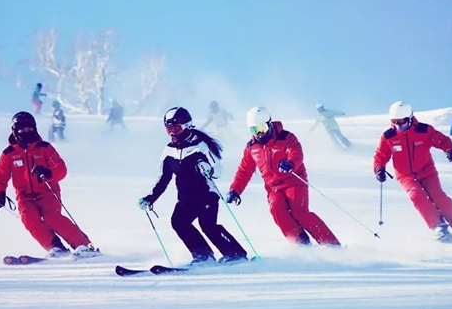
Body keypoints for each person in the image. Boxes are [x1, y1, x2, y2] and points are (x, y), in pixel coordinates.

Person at [138, 107, 248, 265]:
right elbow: (163, 178)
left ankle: (236, 254)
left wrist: (207, 168)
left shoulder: (200, 145)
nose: (173, 133)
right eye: (169, 129)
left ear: (187, 126)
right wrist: (150, 198)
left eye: (177, 128)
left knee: (208, 225)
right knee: (179, 222)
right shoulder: (169, 151)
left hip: (206, 196)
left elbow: (218, 170)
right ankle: (203, 256)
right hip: (186, 199)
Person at [226, 106, 341, 246]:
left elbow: (296, 153)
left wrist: (290, 163)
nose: (259, 134)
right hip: (273, 187)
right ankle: (300, 241)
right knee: (276, 208)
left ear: (269, 124)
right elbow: (244, 171)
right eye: (254, 130)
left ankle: (330, 243)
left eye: (262, 128)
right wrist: (235, 190)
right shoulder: (252, 147)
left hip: (293, 181)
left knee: (300, 212)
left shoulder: (286, 137)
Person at [0, 111, 100, 259]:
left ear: (34, 129)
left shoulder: (44, 148)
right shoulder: (9, 154)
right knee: (29, 219)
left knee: (52, 217)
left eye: (29, 129)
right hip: (24, 195)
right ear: (15, 132)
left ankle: (83, 245)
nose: (26, 132)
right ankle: (55, 247)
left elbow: (61, 169)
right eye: (22, 130)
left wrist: (48, 173)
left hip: (47, 191)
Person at [373, 101, 452, 242]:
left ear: (409, 118)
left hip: (427, 172)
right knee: (416, 196)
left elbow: (442, 140)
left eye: (401, 122)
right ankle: (438, 227)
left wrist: (450, 150)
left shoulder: (424, 130)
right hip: (405, 176)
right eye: (394, 122)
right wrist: (379, 169)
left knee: (438, 196)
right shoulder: (389, 136)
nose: (398, 125)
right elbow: (381, 155)